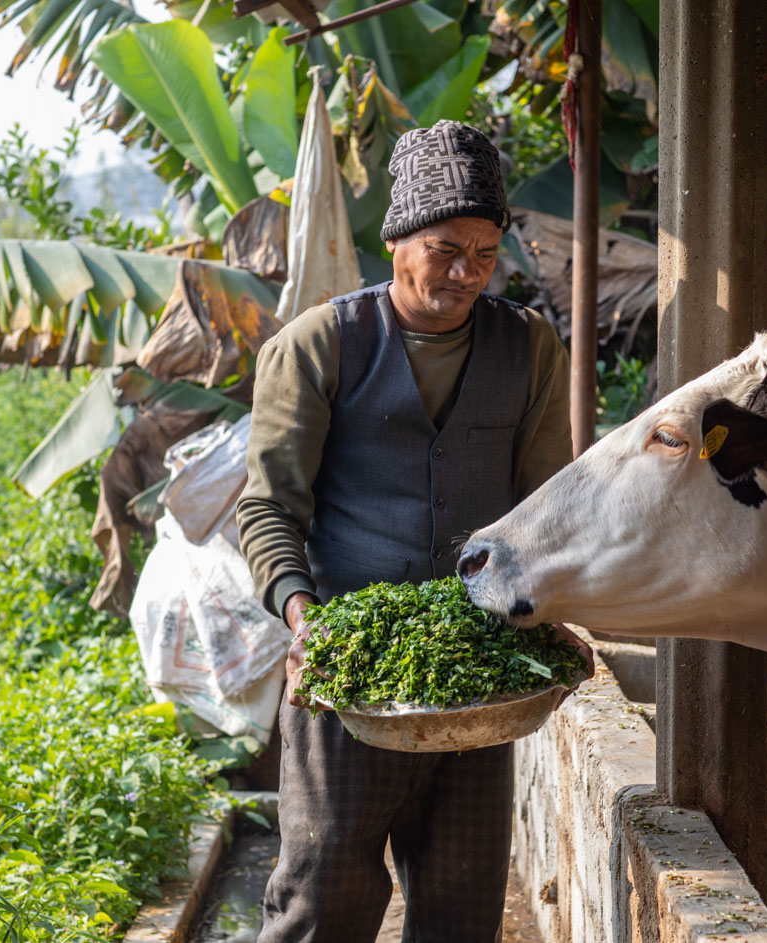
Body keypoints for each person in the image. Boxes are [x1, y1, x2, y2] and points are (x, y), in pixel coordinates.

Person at [237, 119, 586, 943]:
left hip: (475, 677)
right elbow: (268, 507)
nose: (465, 273)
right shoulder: (321, 346)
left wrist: (553, 608)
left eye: (484, 252)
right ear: (397, 242)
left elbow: (545, 506)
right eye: (444, 249)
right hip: (346, 675)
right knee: (323, 898)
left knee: (462, 906)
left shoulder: (527, 348)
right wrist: (304, 619)